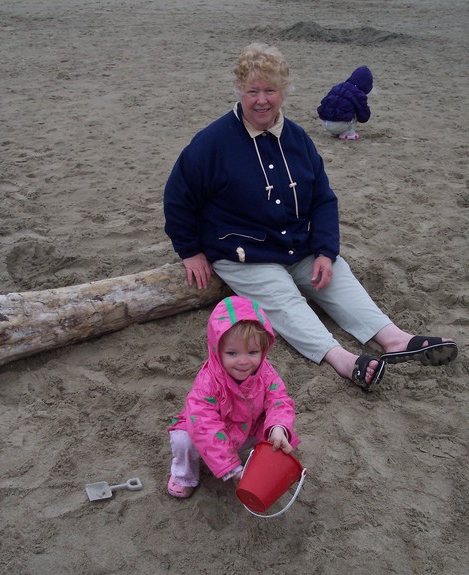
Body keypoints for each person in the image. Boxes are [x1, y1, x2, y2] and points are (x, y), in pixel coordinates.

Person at [163, 42, 457, 393]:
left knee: (337, 277)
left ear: (283, 91)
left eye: (270, 90)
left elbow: (323, 200)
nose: (261, 100)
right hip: (243, 252)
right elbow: (178, 197)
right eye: (252, 91)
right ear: (239, 91)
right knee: (283, 298)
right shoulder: (212, 142)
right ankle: (342, 359)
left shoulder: (298, 138)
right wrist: (190, 250)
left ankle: (394, 338)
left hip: (296, 245)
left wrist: (325, 251)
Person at [167, 295, 300, 499]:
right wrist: (231, 467)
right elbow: (204, 426)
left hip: (246, 428)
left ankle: (261, 465)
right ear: (216, 350)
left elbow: (279, 400)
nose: (244, 362)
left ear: (264, 349)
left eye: (253, 352)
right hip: (209, 433)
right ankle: (184, 475)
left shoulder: (265, 372)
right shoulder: (208, 383)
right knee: (183, 439)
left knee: (275, 435)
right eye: (232, 353)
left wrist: (278, 428)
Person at [316, 65, 373, 140]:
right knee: (356, 109)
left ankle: (335, 130)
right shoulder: (359, 94)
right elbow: (364, 117)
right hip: (339, 125)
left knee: (339, 104)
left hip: (325, 122)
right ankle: (348, 133)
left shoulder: (338, 86)